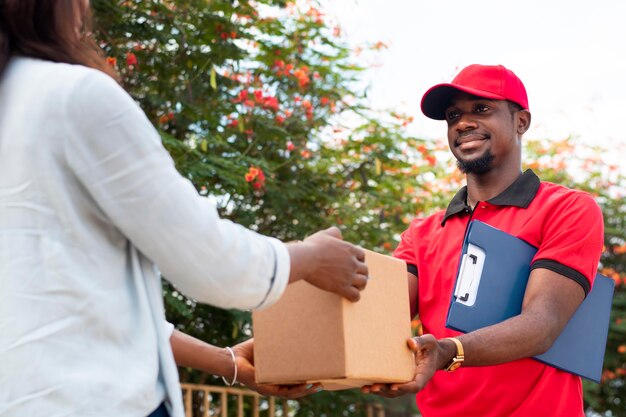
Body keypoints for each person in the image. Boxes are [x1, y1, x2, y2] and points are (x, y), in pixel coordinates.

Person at [0, 1, 368, 417]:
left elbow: (78, 304)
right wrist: (311, 258)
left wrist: (228, 363)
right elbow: (210, 260)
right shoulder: (73, 95)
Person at [362, 64, 604, 416]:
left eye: (481, 109)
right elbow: (376, 319)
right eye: (453, 115)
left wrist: (449, 351)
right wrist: (281, 350)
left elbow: (542, 324)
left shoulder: (566, 208)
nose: (462, 123)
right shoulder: (423, 234)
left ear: (521, 122)